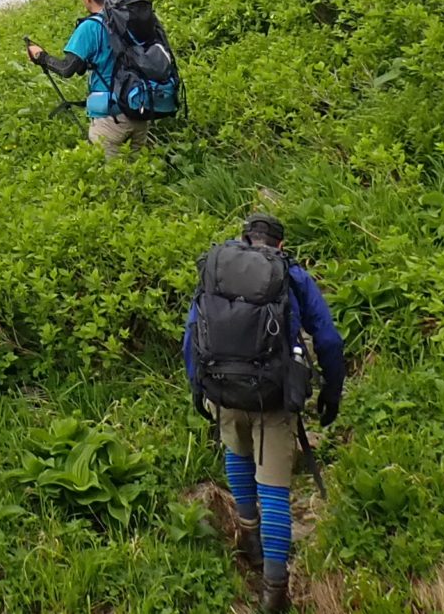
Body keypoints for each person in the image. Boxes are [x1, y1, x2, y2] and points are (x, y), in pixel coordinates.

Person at [182, 212, 346, 613]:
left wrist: (197, 388)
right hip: (273, 395)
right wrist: (332, 393)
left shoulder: (218, 268)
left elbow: (192, 333)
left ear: (242, 238)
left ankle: (249, 540)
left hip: (222, 388)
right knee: (274, 487)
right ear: (280, 246)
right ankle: (274, 589)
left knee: (237, 456)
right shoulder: (291, 275)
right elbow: (328, 337)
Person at [25, 0, 149, 158]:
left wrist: (40, 57)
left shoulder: (90, 27)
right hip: (140, 110)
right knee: (140, 173)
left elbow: (67, 68)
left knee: (113, 179)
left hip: (111, 118)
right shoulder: (128, 18)